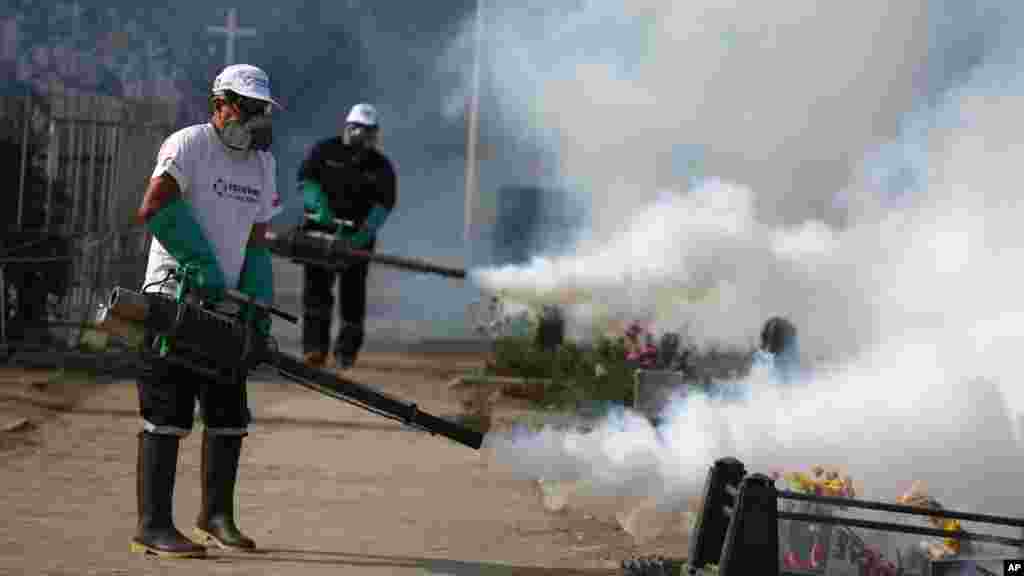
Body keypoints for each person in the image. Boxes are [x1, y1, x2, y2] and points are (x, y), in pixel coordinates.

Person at [131, 63, 282, 558]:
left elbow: (258, 238)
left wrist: (258, 298)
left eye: (262, 110)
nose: (257, 119)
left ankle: (216, 517)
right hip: (176, 297)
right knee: (168, 412)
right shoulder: (189, 144)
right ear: (220, 105)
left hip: (227, 306)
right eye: (248, 108)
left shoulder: (263, 164)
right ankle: (153, 526)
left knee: (228, 413)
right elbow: (155, 207)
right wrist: (198, 261)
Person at [297, 102, 397, 369]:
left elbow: (383, 206)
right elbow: (306, 180)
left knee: (353, 297)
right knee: (316, 294)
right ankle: (314, 350)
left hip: (357, 240)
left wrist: (362, 236)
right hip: (320, 233)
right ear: (347, 127)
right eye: (356, 129)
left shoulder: (381, 166)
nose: (360, 136)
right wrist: (318, 207)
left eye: (367, 131)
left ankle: (346, 352)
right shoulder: (324, 151)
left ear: (375, 134)